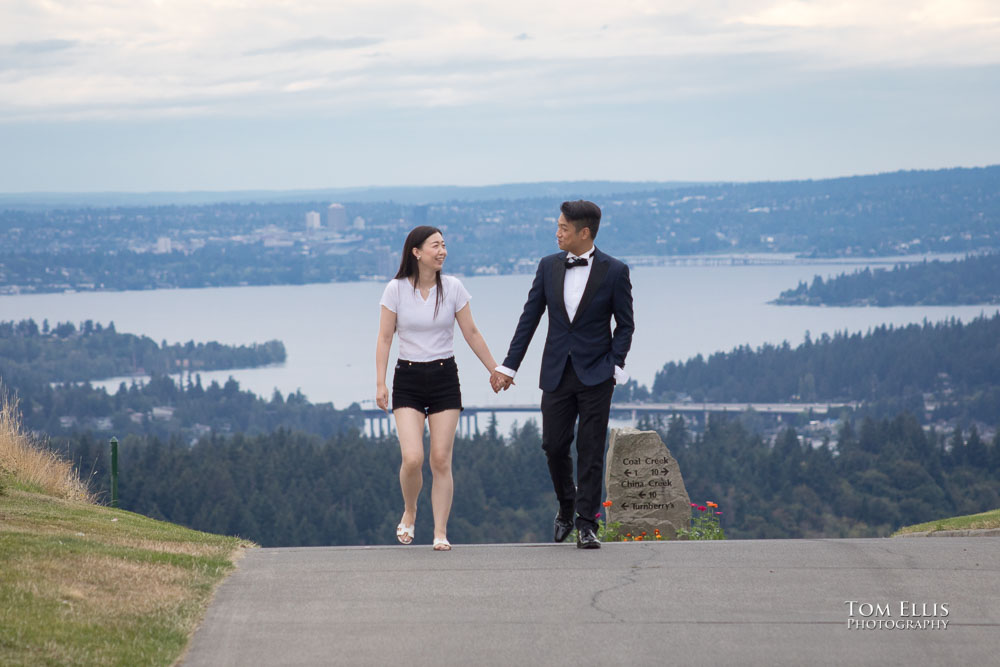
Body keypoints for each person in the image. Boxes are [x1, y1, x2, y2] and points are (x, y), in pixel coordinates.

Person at [491, 200, 634, 549]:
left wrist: (614, 365)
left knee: (591, 448)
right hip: (556, 372)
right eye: (557, 226)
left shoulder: (615, 271)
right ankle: (566, 505)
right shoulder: (547, 267)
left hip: (597, 374)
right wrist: (509, 367)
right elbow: (529, 319)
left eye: (563, 228)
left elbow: (626, 326)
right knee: (553, 445)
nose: (557, 233)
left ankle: (587, 524)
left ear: (584, 233)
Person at [376, 225, 501, 551]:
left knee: (441, 460)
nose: (442, 251)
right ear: (416, 252)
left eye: (444, 245)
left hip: (445, 377)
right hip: (408, 379)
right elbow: (385, 338)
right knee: (413, 458)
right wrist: (381, 382)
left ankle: (440, 532)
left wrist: (495, 370)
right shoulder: (396, 290)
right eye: (435, 246)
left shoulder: (455, 288)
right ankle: (411, 509)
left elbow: (472, 333)